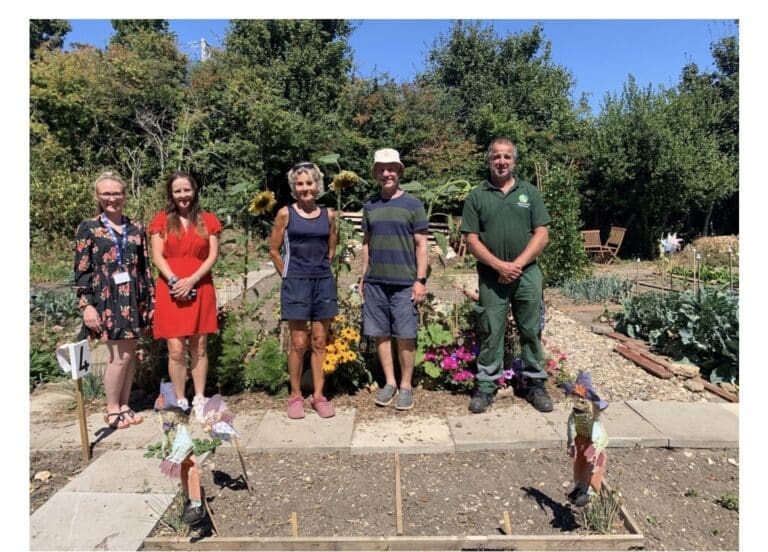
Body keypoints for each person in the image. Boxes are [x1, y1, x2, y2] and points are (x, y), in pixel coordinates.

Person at [460, 137, 553, 413]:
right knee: (490, 331)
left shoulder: (529, 193)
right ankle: (487, 386)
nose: (502, 161)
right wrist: (500, 266)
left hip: (527, 275)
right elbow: (471, 239)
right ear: (489, 160)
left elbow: (542, 234)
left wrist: (517, 265)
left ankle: (535, 384)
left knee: (531, 330)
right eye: (496, 157)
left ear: (514, 161)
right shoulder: (477, 195)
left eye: (507, 157)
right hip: (492, 277)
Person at [74, 171, 155, 429]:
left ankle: (124, 405)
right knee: (117, 356)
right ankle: (111, 409)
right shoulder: (88, 228)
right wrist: (86, 305)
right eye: (106, 193)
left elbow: (145, 268)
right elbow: (82, 269)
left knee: (129, 355)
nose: (112, 198)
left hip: (133, 298)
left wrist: (151, 301)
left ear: (125, 195)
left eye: (117, 193)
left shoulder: (137, 228)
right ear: (98, 196)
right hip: (107, 300)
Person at [148, 172, 221, 422]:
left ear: (195, 190)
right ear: (171, 193)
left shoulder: (209, 220)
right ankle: (180, 398)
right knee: (176, 348)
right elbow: (157, 256)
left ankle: (200, 397)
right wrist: (174, 280)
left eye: (186, 190)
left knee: (199, 346)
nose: (183, 195)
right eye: (177, 191)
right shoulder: (161, 221)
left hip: (200, 287)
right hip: (170, 288)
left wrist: (192, 279)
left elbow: (212, 256)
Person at [361, 148, 429, 411]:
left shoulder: (413, 205)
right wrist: (363, 276)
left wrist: (420, 280)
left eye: (391, 168)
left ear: (399, 172)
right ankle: (389, 382)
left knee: (405, 335)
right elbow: (366, 244)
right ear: (376, 173)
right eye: (381, 169)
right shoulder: (370, 206)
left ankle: (405, 385)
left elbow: (421, 244)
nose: (386, 173)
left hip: (404, 283)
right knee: (380, 334)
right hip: (376, 282)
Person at [269, 162, 338, 419]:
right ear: (293, 187)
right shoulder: (285, 214)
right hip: (295, 282)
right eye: (300, 184)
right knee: (299, 343)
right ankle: (295, 395)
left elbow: (331, 249)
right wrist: (287, 274)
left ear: (317, 186)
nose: (305, 188)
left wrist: (321, 269)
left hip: (322, 282)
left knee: (320, 341)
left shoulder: (329, 215)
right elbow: (274, 249)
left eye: (309, 183)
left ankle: (318, 396)